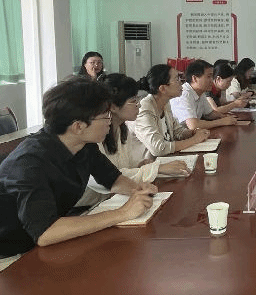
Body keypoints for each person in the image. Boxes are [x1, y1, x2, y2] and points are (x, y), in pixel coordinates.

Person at [0, 77, 157, 259]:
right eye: (105, 116)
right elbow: (45, 233)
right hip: (11, 253)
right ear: (78, 126)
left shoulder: (84, 145)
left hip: (42, 244)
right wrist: (122, 213)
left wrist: (138, 191)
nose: (110, 120)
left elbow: (112, 179)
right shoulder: (30, 163)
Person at [99, 73, 191, 181]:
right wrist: (156, 169)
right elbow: (110, 176)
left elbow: (127, 166)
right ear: (113, 107)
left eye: (137, 99)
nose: (139, 105)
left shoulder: (122, 129)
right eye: (133, 101)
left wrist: (140, 165)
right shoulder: (97, 137)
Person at [134, 64, 210, 158]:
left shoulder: (165, 104)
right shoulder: (144, 108)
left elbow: (177, 132)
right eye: (176, 79)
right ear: (163, 88)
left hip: (166, 159)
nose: (181, 82)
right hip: (146, 163)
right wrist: (194, 140)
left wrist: (193, 133)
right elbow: (158, 148)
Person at [170, 59, 237, 130]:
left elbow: (209, 114)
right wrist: (222, 122)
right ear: (194, 78)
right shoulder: (184, 94)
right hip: (179, 134)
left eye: (212, 76)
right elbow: (193, 125)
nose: (212, 80)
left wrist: (224, 116)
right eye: (209, 76)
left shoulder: (200, 92)